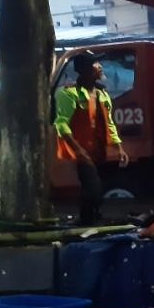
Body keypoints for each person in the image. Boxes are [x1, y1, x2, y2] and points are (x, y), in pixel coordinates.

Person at [54, 51, 129, 226]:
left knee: (93, 189)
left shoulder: (102, 94)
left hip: (98, 149)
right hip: (82, 152)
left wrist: (119, 147)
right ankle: (86, 221)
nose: (100, 67)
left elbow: (109, 122)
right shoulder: (69, 94)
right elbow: (61, 124)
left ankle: (90, 219)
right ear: (86, 70)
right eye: (96, 64)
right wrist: (78, 149)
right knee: (93, 188)